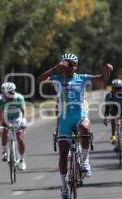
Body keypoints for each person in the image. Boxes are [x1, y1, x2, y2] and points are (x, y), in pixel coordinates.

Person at [38, 53, 112, 199]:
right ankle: (64, 186)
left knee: (85, 127)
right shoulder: (57, 79)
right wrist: (55, 68)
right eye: (64, 64)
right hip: (65, 120)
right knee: (63, 155)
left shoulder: (82, 78)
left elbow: (102, 79)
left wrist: (107, 71)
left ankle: (84, 159)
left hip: (79, 116)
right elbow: (39, 80)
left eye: (70, 65)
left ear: (75, 67)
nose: (66, 68)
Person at [0, 82, 27, 171]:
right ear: (3, 93)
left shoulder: (19, 98)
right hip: (6, 117)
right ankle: (4, 151)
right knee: (4, 130)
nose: (8, 96)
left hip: (17, 118)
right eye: (6, 94)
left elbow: (23, 110)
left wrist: (24, 119)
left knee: (20, 137)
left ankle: (22, 159)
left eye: (11, 93)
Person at [103, 79, 122, 158]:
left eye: (119, 88)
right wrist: (105, 117)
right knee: (113, 117)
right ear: (112, 88)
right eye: (115, 88)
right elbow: (107, 108)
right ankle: (113, 135)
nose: (117, 90)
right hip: (113, 110)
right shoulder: (108, 96)